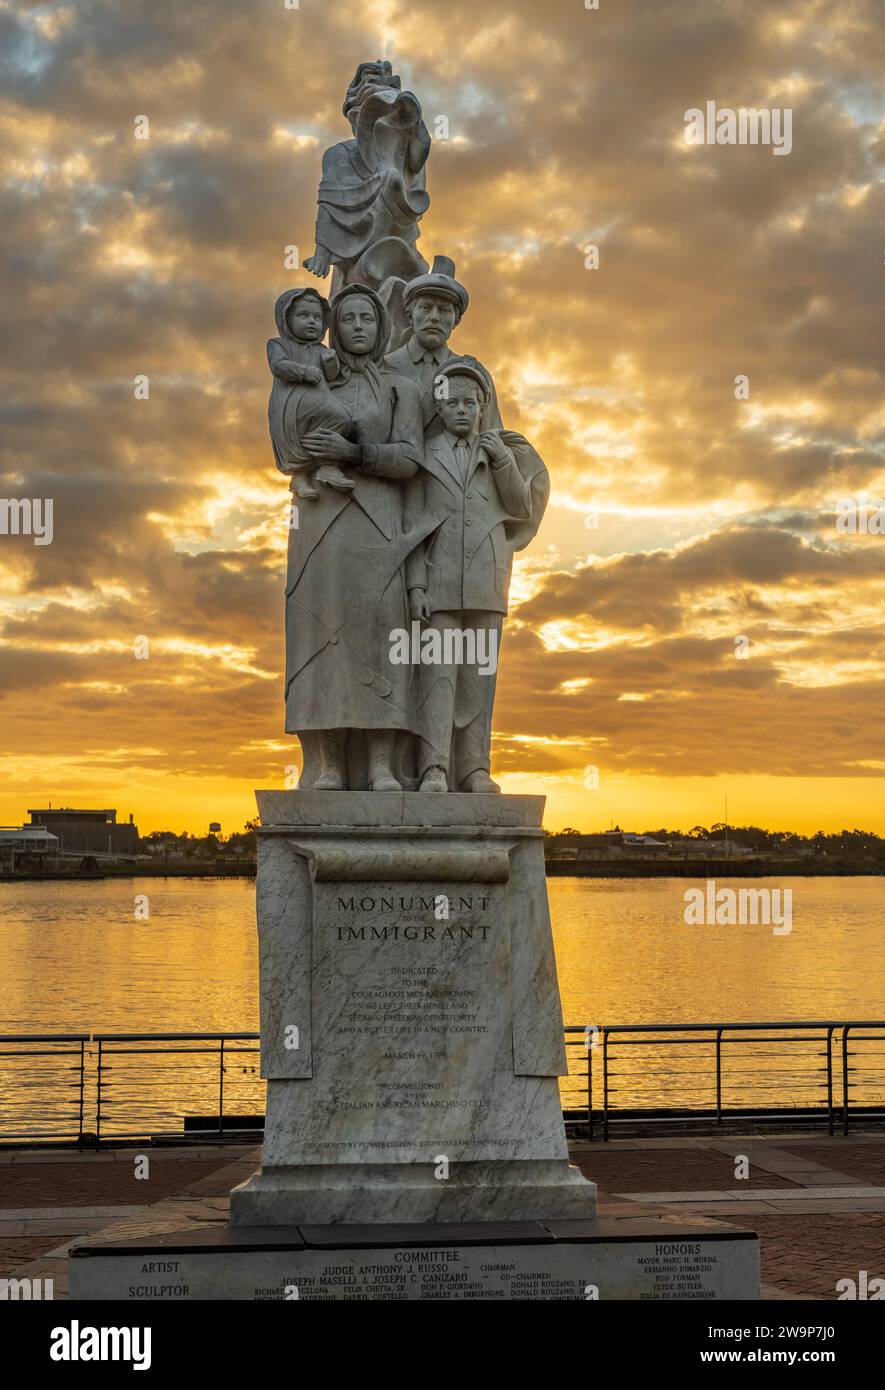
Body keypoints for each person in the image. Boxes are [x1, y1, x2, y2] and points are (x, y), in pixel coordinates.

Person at [283, 283, 436, 791]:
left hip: (378, 524)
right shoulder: (310, 382)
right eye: (346, 319)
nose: (357, 328)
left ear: (381, 327)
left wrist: (353, 454)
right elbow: (287, 433)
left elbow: (410, 459)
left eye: (366, 319)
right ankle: (326, 764)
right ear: (334, 327)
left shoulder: (400, 388)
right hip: (320, 522)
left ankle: (381, 765)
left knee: (380, 637)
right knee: (320, 634)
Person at [404, 364, 549, 792]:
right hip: (438, 584)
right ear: (440, 408)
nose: (462, 411)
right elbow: (412, 527)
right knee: (437, 678)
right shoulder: (423, 454)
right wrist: (415, 586)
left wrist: (503, 460)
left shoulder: (499, 451)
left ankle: (475, 769)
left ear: (483, 408)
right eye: (453, 403)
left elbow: (522, 508)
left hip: (486, 584)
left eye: (471, 403)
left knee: (478, 682)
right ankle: (434, 768)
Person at [384, 257, 502, 435]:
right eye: (425, 307)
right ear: (409, 314)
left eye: (444, 310)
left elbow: (493, 437)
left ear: (457, 319)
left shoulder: (474, 373)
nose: (434, 317)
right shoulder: (384, 367)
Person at [267, 288, 354, 499]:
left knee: (341, 419)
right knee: (295, 440)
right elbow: (278, 366)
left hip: (321, 402)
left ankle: (328, 466)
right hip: (290, 404)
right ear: (287, 319)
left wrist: (331, 362)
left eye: (317, 317)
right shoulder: (278, 345)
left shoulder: (321, 350)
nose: (311, 321)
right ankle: (299, 477)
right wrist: (303, 372)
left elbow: (333, 377)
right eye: (303, 315)